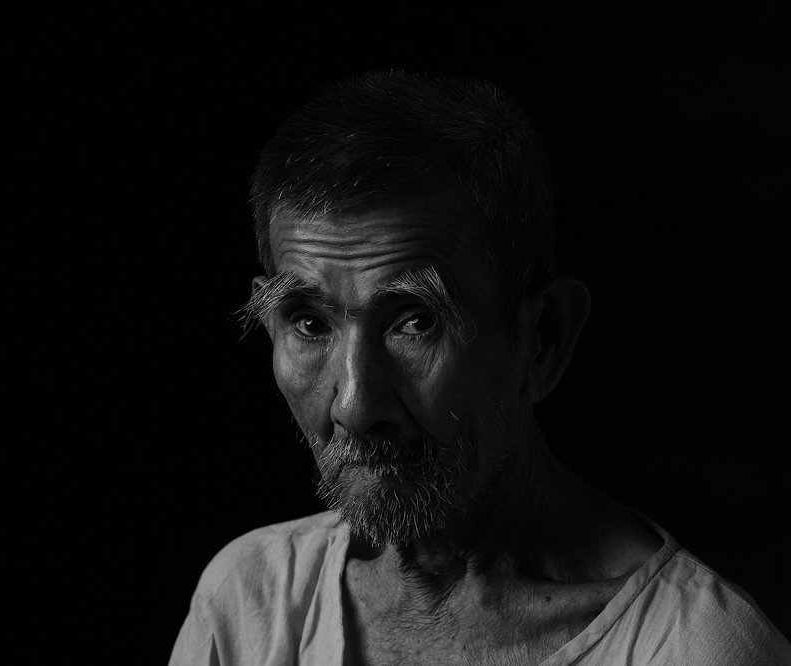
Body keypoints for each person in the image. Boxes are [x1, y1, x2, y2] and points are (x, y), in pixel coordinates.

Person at [169, 70, 791, 665]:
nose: (354, 405)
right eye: (309, 323)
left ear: (543, 339)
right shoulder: (248, 602)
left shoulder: (695, 650)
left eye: (415, 321)